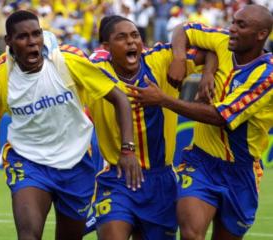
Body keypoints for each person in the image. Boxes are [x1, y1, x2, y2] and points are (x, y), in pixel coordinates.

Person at [0, 10, 142, 240]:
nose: (32, 43)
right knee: (28, 234)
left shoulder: (68, 61)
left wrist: (128, 149)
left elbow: (120, 98)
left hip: (76, 161)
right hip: (28, 161)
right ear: (9, 41)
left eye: (36, 34)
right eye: (23, 37)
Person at [129, 4, 273, 240]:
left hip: (241, 170)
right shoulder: (223, 40)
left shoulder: (267, 75)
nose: (232, 29)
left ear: (261, 35)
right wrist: (181, 58)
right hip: (201, 161)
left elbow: (220, 117)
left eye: (241, 25)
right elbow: (183, 29)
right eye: (234, 21)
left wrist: (163, 99)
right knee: (191, 234)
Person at [86, 15, 217, 240]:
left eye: (135, 35)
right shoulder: (93, 70)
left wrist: (205, 73)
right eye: (122, 37)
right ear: (106, 47)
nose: (131, 42)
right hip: (118, 178)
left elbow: (213, 49)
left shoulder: (160, 59)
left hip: (161, 182)